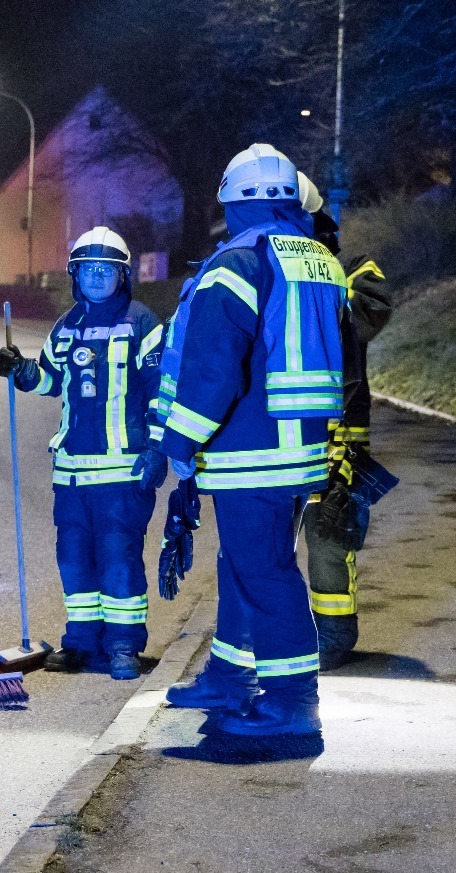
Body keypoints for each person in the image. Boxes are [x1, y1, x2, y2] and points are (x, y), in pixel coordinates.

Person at [151, 144, 348, 762]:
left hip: (250, 447)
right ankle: (230, 676)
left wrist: (179, 441)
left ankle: (291, 703)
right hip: (296, 444)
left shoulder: (237, 262)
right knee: (246, 564)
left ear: (231, 203)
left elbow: (214, 369)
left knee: (265, 573)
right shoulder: (316, 258)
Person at [0, 228, 165, 680]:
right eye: (87, 269)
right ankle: (82, 641)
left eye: (106, 269)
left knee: (118, 558)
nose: (96, 277)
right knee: (73, 560)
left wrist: (157, 448)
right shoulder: (66, 326)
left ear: (123, 275)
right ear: (74, 274)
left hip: (122, 472)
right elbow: (51, 380)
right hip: (71, 472)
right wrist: (21, 371)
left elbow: (161, 391)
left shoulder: (142, 323)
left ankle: (124, 645)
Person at [295, 172, 396, 669]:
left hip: (340, 439)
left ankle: (334, 635)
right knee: (266, 541)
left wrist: (311, 286)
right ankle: (275, 632)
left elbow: (369, 312)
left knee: (329, 535)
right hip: (279, 435)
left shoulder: (354, 269)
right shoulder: (261, 271)